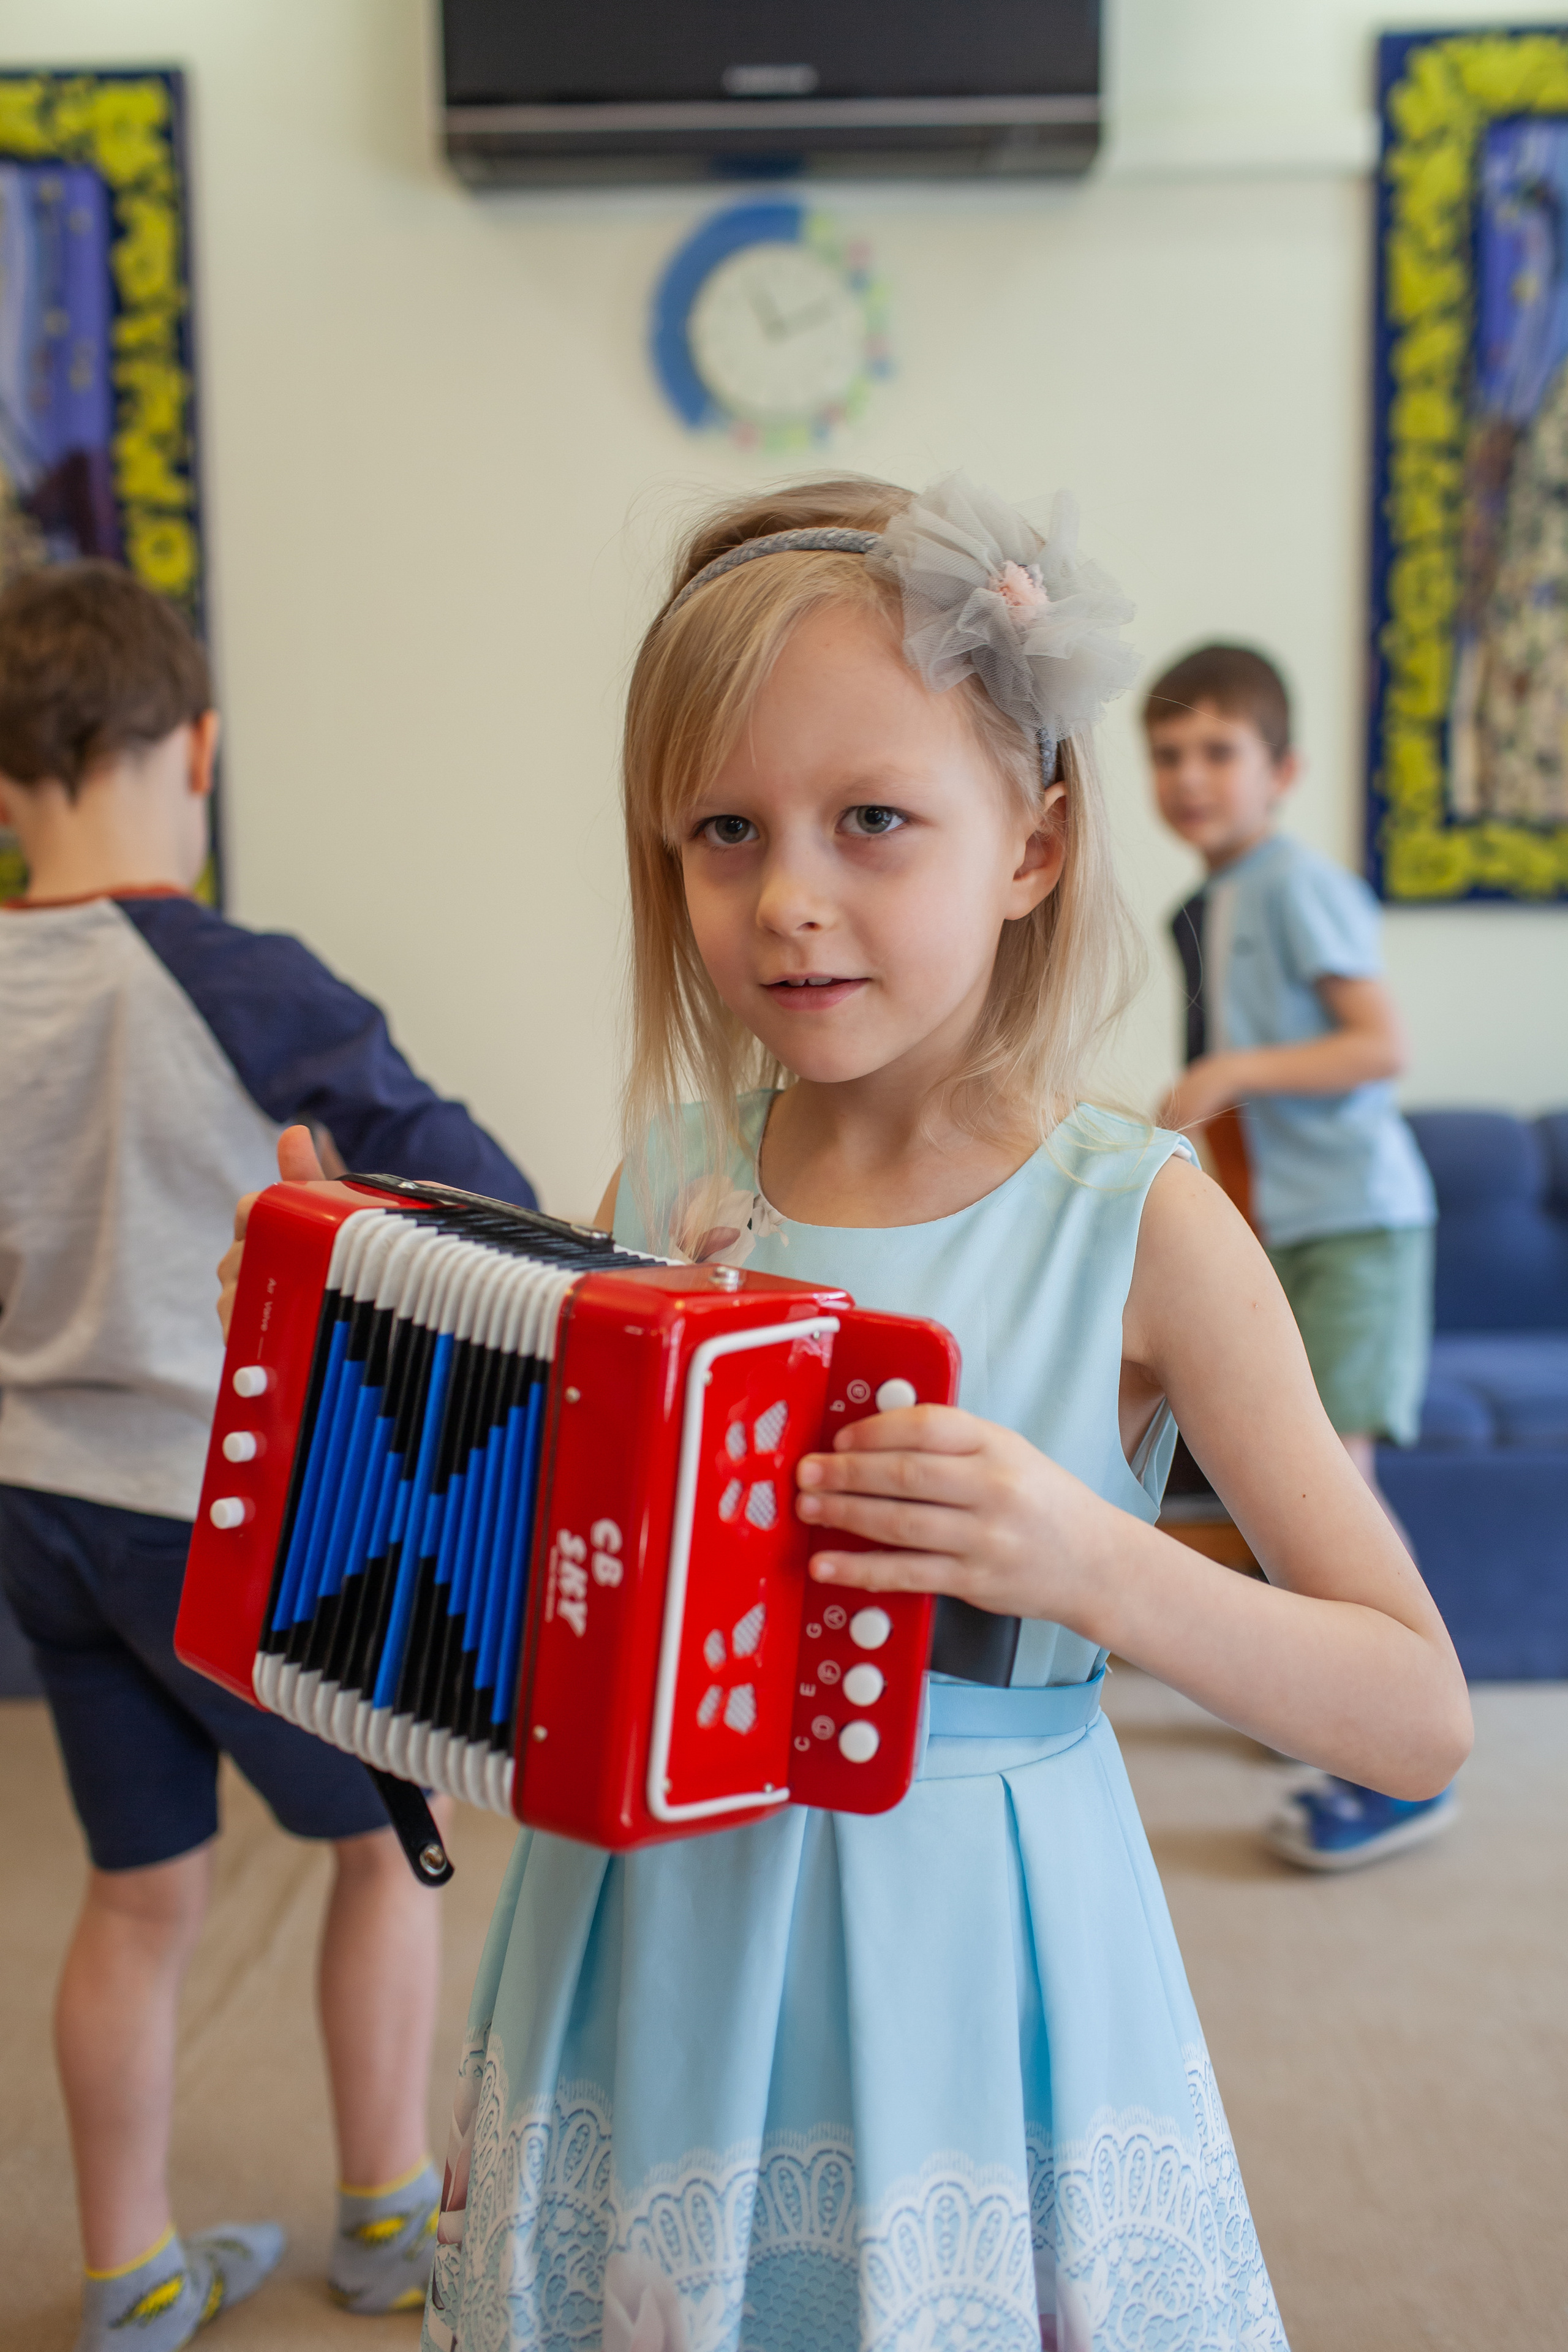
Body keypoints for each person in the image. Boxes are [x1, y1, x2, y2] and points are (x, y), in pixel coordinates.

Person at [228, 470, 1468, 2351]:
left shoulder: (1143, 1226)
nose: (789, 899)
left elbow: (1419, 1713)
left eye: (873, 819)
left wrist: (1093, 1561)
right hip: (645, 1935)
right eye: (724, 831)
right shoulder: (667, 1181)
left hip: (965, 1961)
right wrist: (356, 1364)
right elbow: (564, 1609)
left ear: (1036, 844)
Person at [0, 560, 539, 2351]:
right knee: (391, 1845)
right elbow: (476, 1184)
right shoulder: (236, 977)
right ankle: (387, 2215)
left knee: (139, 1891)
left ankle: (128, 2272)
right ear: (201, 748)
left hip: (39, 1510)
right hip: (214, 1514)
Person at [1144, 641, 1453, 1873]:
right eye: (1167, 754)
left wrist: (1231, 1071)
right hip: (1288, 1227)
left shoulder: (1296, 886)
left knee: (1339, 1497)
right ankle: (1325, 1702)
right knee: (1292, 1482)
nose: (1188, 776)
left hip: (1358, 1226)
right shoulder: (1206, 905)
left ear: (1283, 771)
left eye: (1217, 751)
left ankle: (1401, 1767)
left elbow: (1379, 1045)